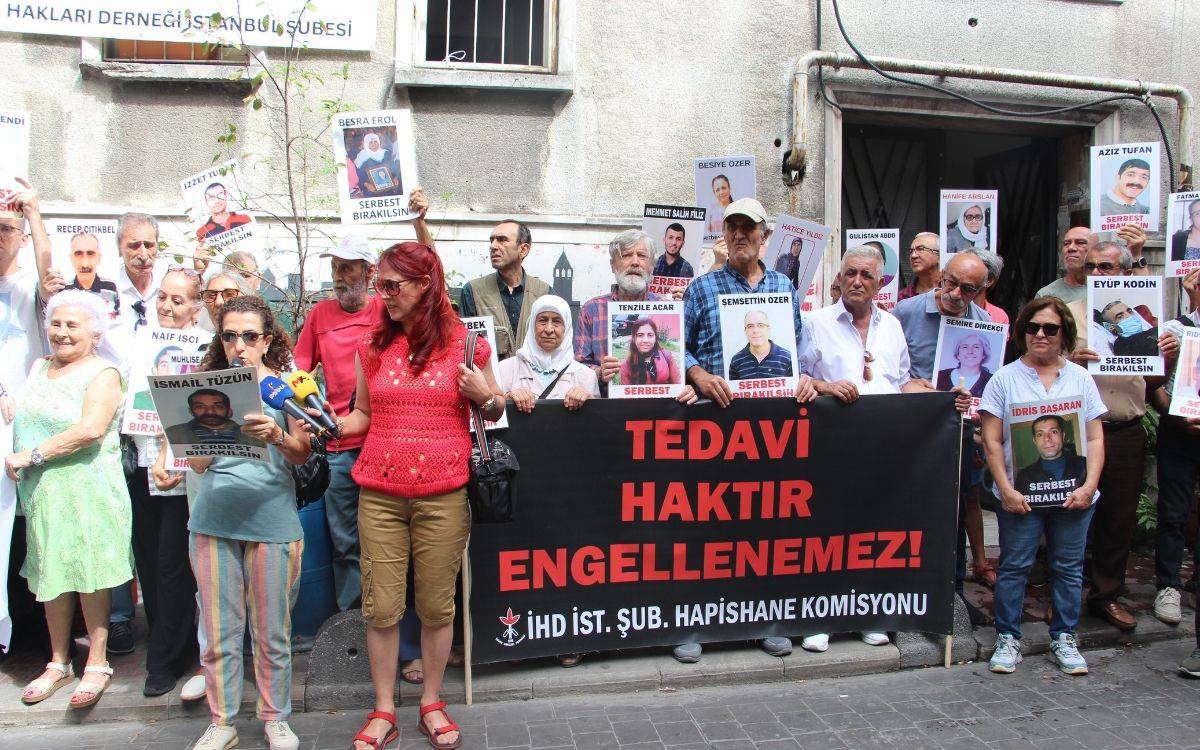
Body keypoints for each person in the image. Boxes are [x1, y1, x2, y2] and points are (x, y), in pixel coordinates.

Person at [329, 242, 505, 750]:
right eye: (379, 285)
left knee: (435, 605)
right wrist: (327, 428)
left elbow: (493, 410)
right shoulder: (372, 347)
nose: (381, 295)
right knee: (381, 608)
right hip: (379, 496)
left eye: (391, 285)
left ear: (425, 286)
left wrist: (483, 395)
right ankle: (384, 708)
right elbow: (362, 415)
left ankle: (431, 701)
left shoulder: (467, 348)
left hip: (444, 496)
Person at [799, 245, 968, 653]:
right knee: (827, 535)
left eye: (867, 275)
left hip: (882, 450)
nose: (858, 281)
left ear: (880, 283)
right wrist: (825, 387)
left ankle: (865, 615)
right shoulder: (814, 322)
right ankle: (820, 619)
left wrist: (946, 397)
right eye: (851, 273)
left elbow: (902, 380)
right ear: (838, 278)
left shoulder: (891, 326)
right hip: (831, 448)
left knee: (870, 533)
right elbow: (799, 377)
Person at [678, 196, 816, 663]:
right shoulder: (701, 288)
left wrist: (802, 379)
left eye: (749, 228)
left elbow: (795, 350)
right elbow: (679, 349)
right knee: (705, 529)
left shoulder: (783, 286)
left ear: (765, 236)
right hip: (715, 428)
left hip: (770, 430)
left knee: (762, 529)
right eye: (733, 227)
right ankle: (694, 625)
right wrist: (696, 374)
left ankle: (765, 622)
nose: (740, 235)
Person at [186, 295, 311, 750]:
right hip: (214, 518)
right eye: (230, 335)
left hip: (272, 518)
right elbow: (196, 465)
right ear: (220, 340)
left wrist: (276, 435)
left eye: (250, 336)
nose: (239, 345)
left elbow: (303, 453)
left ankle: (276, 717)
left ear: (268, 339)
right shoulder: (202, 387)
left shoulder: (288, 386)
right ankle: (222, 720)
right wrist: (216, 432)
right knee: (219, 630)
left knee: (272, 629)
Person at [8, 290, 131, 708]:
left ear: (96, 333)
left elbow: (91, 429)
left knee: (89, 573)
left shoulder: (105, 372)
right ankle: (58, 661)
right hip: (42, 495)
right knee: (50, 573)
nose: (61, 332)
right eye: (56, 324)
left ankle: (97, 662)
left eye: (72, 325)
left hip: (88, 491)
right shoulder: (39, 367)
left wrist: (33, 454)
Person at [980, 296, 1106, 676]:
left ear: (1063, 333)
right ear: (1021, 332)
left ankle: (1065, 636)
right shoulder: (1004, 378)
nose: (1040, 334)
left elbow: (1096, 438)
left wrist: (1089, 487)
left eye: (1050, 328)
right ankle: (1007, 638)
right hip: (1021, 497)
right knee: (1015, 566)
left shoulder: (1080, 378)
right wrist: (1006, 490)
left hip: (1074, 496)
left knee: (1068, 567)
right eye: (1032, 327)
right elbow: (991, 440)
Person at [125, 267, 206, 696]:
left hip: (180, 466)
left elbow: (198, 410)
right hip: (140, 464)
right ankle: (168, 644)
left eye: (178, 300)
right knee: (149, 560)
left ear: (196, 307)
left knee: (173, 564)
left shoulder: (205, 348)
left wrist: (166, 452)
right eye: (163, 298)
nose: (168, 307)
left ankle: (164, 660)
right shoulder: (141, 342)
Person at [893, 252, 991, 606]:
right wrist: (907, 381)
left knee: (955, 511)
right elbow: (887, 364)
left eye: (967, 289)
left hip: (957, 433)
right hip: (910, 431)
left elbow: (986, 391)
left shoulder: (983, 324)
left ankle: (953, 597)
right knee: (908, 510)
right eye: (950, 283)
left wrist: (974, 407)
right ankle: (905, 595)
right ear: (941, 278)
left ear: (981, 290)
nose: (955, 294)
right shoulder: (906, 312)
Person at [0, 178, 53, 654]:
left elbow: (48, 271)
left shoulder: (29, 284)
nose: (0, 236)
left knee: (26, 530)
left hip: (26, 425)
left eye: (6, 227)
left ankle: (32, 639)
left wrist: (34, 214)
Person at [1153, 270, 1200, 675]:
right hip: (1180, 429)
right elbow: (1153, 380)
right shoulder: (1175, 328)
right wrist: (1175, 410)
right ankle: (1169, 585)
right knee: (1174, 508)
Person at [459, 219, 549, 359]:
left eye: (502, 240)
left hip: (534, 380)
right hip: (488, 380)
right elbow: (464, 348)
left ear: (523, 249)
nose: (493, 246)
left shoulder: (544, 293)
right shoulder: (472, 291)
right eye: (492, 240)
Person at [499, 295, 599, 414]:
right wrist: (507, 401)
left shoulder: (586, 375)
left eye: (557, 321)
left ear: (566, 328)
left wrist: (590, 403)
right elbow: (490, 418)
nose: (549, 329)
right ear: (532, 325)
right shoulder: (505, 369)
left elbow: (595, 424)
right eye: (542, 320)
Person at [1037, 226, 1150, 304]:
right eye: (1066, 243)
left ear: (1095, 249)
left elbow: (1145, 297)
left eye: (1080, 242)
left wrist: (1136, 253)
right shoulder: (1047, 294)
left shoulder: (1113, 286)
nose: (1071, 248)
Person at [1012, 415, 1089, 494]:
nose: (1047, 439)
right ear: (1035, 440)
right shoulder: (1024, 477)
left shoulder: (1084, 465)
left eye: (1053, 432)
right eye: (1040, 434)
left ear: (1063, 436)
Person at [165, 390, 258, 446]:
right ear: (190, 411)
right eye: (200, 407)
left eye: (218, 406)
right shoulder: (175, 433)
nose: (210, 412)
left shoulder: (250, 433)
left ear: (229, 411)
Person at [65, 232, 120, 316]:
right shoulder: (64, 291)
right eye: (78, 254)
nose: (85, 264)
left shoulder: (110, 288)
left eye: (90, 254)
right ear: (71, 259)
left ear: (99, 258)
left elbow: (117, 321)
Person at [728, 310, 794, 379]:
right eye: (750, 326)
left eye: (760, 325)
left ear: (768, 329)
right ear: (745, 331)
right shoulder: (736, 360)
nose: (755, 331)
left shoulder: (787, 358)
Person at [620, 317, 681, 386]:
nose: (646, 340)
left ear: (655, 337)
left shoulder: (667, 356)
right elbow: (626, 394)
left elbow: (677, 386)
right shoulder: (626, 365)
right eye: (640, 335)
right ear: (634, 338)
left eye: (650, 335)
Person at [965, 247, 1008, 328]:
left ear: (989, 280)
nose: (965, 275)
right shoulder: (948, 306)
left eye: (972, 271)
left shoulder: (999, 316)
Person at [353, 132, 404, 198]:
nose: (374, 144)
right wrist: (367, 185)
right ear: (366, 144)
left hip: (387, 186)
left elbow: (392, 168)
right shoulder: (362, 156)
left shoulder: (386, 153)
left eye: (375, 141)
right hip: (371, 189)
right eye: (371, 142)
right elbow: (359, 175)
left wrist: (394, 177)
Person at [897, 232, 940, 301]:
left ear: (939, 255)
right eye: (911, 251)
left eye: (920, 249)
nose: (913, 255)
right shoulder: (904, 296)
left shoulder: (951, 289)